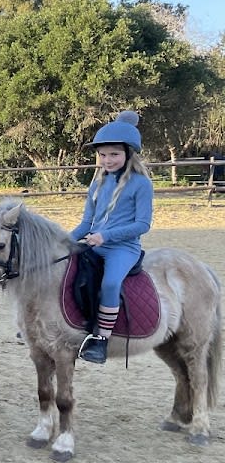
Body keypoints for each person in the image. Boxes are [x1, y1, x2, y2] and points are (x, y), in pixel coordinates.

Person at [68, 111, 153, 364]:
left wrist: (105, 236)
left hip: (123, 248)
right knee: (66, 270)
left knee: (110, 284)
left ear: (128, 154)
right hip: (95, 242)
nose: (107, 160)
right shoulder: (96, 184)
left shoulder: (141, 184)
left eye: (114, 154)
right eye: (103, 154)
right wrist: (64, 240)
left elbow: (142, 224)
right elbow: (86, 223)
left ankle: (101, 340)